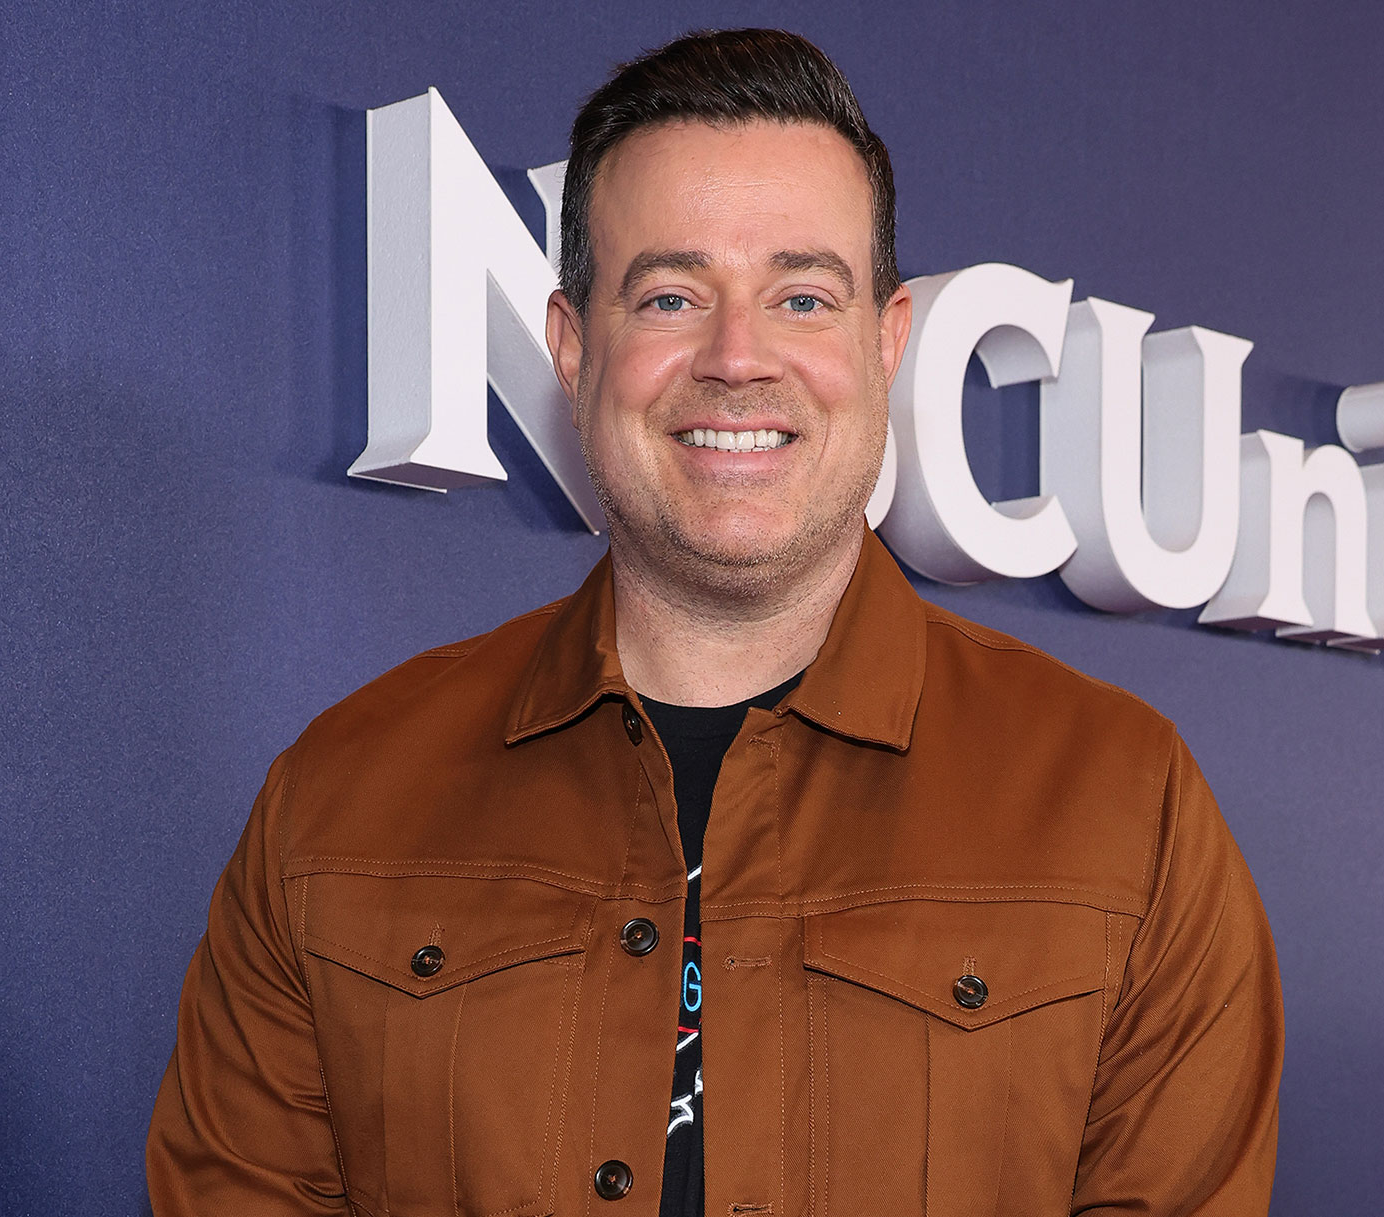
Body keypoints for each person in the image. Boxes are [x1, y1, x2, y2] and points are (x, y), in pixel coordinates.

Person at [148, 28, 1282, 1217]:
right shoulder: (338, 799)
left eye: (800, 295)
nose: (737, 358)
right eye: (672, 295)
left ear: (885, 344)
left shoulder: (1123, 804)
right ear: (574, 351)